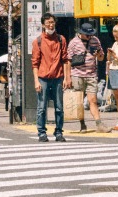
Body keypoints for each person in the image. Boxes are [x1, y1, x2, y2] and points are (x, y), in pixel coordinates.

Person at [31, 14, 68, 142]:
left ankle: (59, 132)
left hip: (58, 77)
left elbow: (65, 60)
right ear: (43, 25)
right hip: (43, 77)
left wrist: (67, 78)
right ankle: (41, 132)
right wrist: (36, 81)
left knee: (59, 107)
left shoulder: (61, 39)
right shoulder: (38, 41)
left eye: (52, 22)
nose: (50, 25)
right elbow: (35, 63)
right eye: (48, 23)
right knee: (41, 107)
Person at [67, 22, 104, 132]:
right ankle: (82, 124)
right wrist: (68, 77)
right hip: (77, 75)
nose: (89, 37)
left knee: (93, 100)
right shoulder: (73, 42)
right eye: (87, 35)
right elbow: (68, 60)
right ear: (81, 33)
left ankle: (99, 124)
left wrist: (98, 55)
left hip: (92, 74)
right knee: (79, 101)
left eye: (91, 34)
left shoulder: (95, 40)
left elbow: (102, 58)